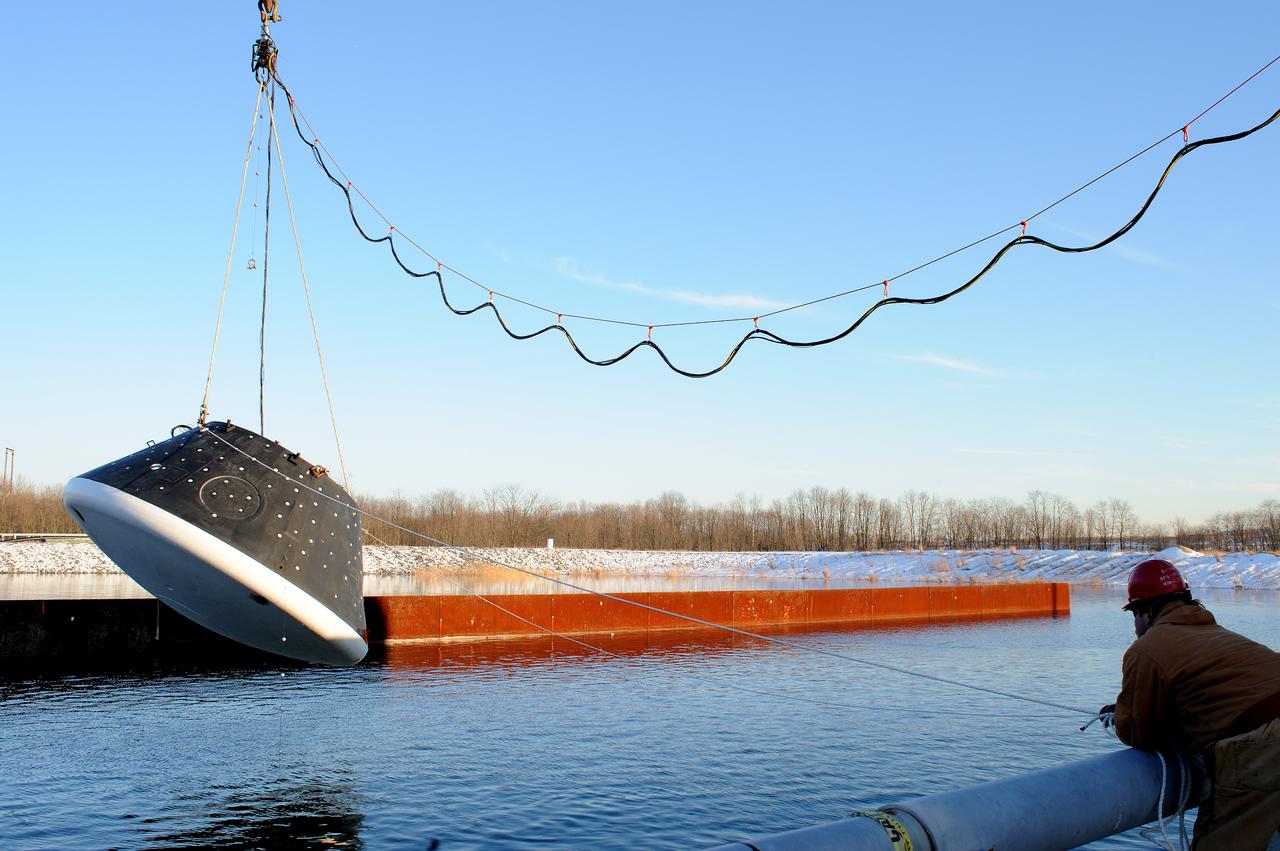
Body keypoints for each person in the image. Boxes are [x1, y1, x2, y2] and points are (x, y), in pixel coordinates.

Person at [1100, 558, 1280, 849]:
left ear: (1145, 612)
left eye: (1134, 616)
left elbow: (1139, 732)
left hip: (1260, 748)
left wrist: (1121, 713)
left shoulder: (1147, 649)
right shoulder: (1220, 635)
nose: (1135, 628)